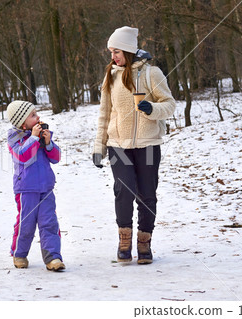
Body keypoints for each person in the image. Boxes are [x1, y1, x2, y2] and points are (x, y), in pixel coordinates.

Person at [93, 26, 176, 264]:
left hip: (148, 145)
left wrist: (153, 109)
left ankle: (144, 243)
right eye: (110, 51)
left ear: (128, 50)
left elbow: (169, 104)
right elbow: (104, 113)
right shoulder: (111, 75)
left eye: (116, 51)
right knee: (123, 190)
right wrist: (99, 147)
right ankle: (124, 240)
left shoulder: (152, 74)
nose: (113, 56)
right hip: (118, 144)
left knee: (147, 195)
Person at [6, 100, 65, 271]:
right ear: (22, 122)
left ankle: (53, 257)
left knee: (49, 223)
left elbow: (56, 158)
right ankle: (19, 254)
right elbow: (22, 156)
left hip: (46, 187)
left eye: (36, 113)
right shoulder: (14, 138)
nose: (38, 117)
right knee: (26, 223)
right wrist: (33, 138)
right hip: (26, 189)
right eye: (33, 115)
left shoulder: (42, 136)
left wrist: (48, 143)